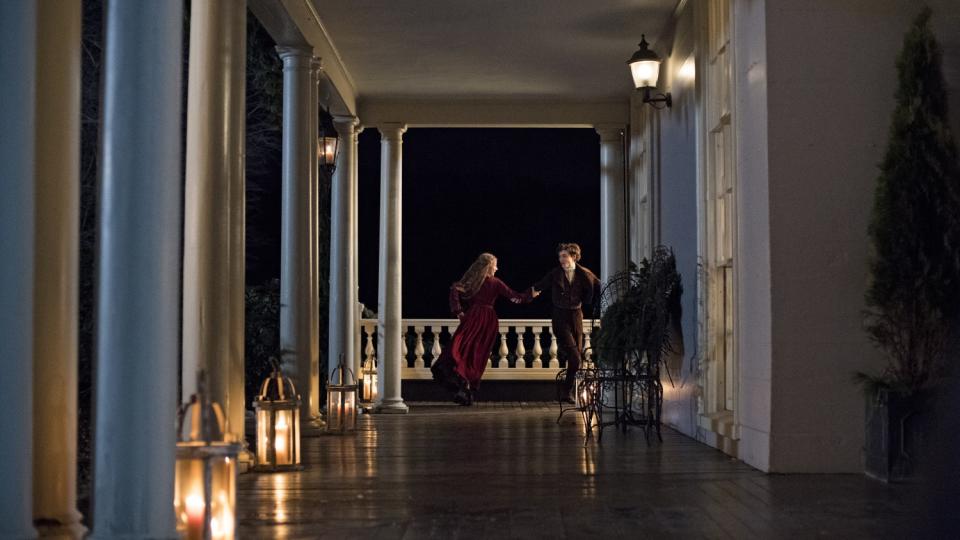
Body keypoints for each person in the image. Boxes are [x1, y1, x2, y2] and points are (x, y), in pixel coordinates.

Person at [430, 253, 536, 405]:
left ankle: (463, 389)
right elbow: (515, 297)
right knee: (476, 354)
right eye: (495, 265)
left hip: (472, 318)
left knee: (462, 350)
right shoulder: (495, 283)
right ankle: (465, 389)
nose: (497, 268)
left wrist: (458, 311)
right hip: (487, 321)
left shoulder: (472, 282)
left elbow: (454, 290)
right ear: (488, 266)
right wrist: (530, 295)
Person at [527, 243, 600, 403]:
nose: (561, 259)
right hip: (560, 317)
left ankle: (567, 392)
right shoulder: (555, 274)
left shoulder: (584, 273)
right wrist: (526, 295)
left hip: (576, 316)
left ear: (573, 256)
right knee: (574, 356)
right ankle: (566, 392)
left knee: (577, 358)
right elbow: (539, 285)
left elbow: (600, 285)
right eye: (560, 256)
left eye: (564, 255)